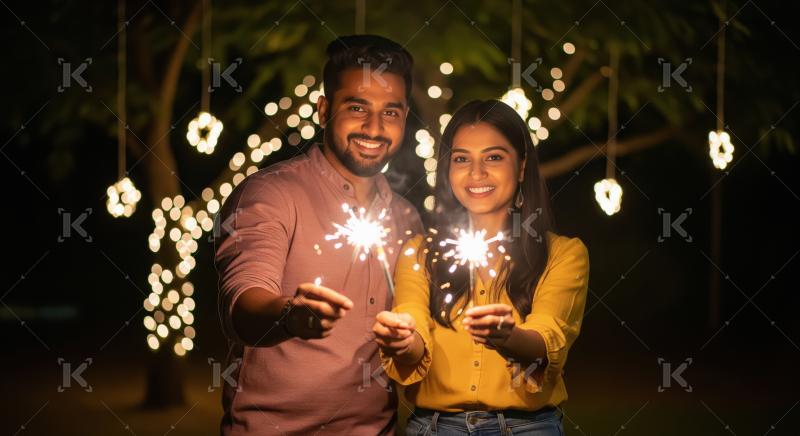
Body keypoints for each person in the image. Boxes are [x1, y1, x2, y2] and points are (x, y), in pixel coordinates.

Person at [214, 35, 422, 435]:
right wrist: (290, 316)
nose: (374, 127)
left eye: (390, 112)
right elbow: (242, 305)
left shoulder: (406, 217)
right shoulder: (270, 194)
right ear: (324, 109)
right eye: (357, 107)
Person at [373, 100, 589, 435]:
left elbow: (548, 340)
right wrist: (402, 340)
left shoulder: (564, 254)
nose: (476, 173)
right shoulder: (419, 252)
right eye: (461, 159)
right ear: (447, 169)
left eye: (493, 157)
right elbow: (414, 326)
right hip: (435, 428)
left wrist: (509, 337)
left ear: (520, 167)